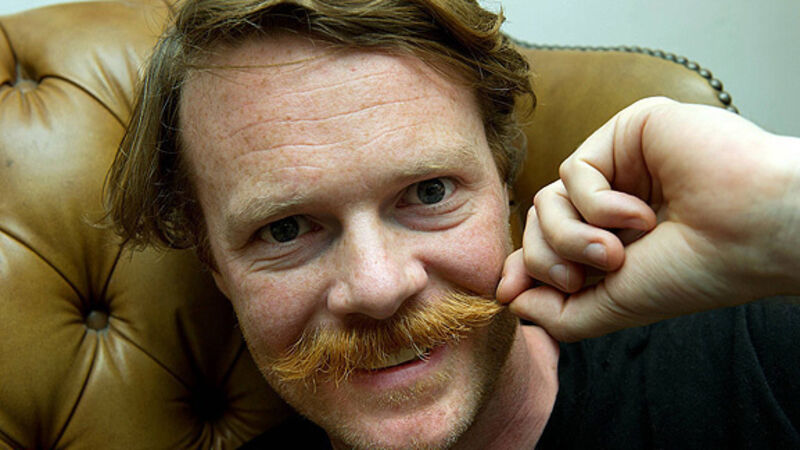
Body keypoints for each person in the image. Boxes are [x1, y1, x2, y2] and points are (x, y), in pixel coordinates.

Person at [104, 0, 800, 448]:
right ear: (216, 266)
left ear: (506, 182)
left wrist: (782, 212)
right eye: (285, 229)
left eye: (428, 192)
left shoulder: (756, 354)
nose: (378, 288)